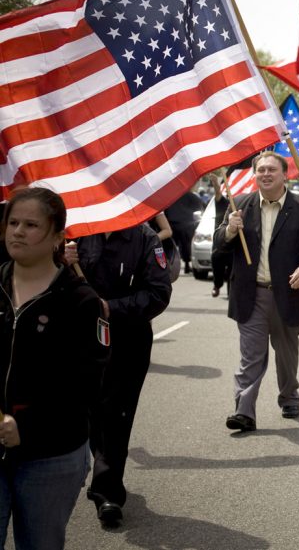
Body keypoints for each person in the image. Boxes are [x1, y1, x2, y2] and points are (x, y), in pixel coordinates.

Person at [0, 188, 108, 549]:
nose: (18, 231)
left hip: (52, 456)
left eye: (31, 225)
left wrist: (26, 426)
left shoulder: (82, 301)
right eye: (13, 222)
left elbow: (86, 385)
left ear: (58, 236)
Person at [65, 220, 172, 525]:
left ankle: (108, 491)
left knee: (117, 413)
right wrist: (61, 263)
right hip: (83, 339)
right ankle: (102, 467)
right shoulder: (77, 233)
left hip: (128, 338)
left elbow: (159, 293)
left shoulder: (145, 238)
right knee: (91, 411)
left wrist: (111, 307)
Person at [214, 151, 299, 431]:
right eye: (261, 170)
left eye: (272, 169)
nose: (266, 174)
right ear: (254, 175)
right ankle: (244, 410)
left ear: (285, 174)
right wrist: (229, 231)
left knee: (286, 354)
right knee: (251, 355)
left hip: (290, 294)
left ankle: (289, 396)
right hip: (251, 296)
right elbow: (219, 244)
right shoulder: (239, 206)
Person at [165, 189, 203, 274]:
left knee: (170, 246)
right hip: (185, 224)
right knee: (186, 245)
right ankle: (186, 264)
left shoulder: (170, 196)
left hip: (171, 224)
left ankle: (170, 265)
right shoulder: (191, 196)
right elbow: (200, 207)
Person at [208, 173, 232, 298]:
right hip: (220, 243)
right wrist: (216, 184)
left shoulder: (243, 203)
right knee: (217, 264)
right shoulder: (222, 202)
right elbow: (217, 193)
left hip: (234, 245)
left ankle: (230, 293)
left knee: (233, 270)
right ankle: (217, 285)